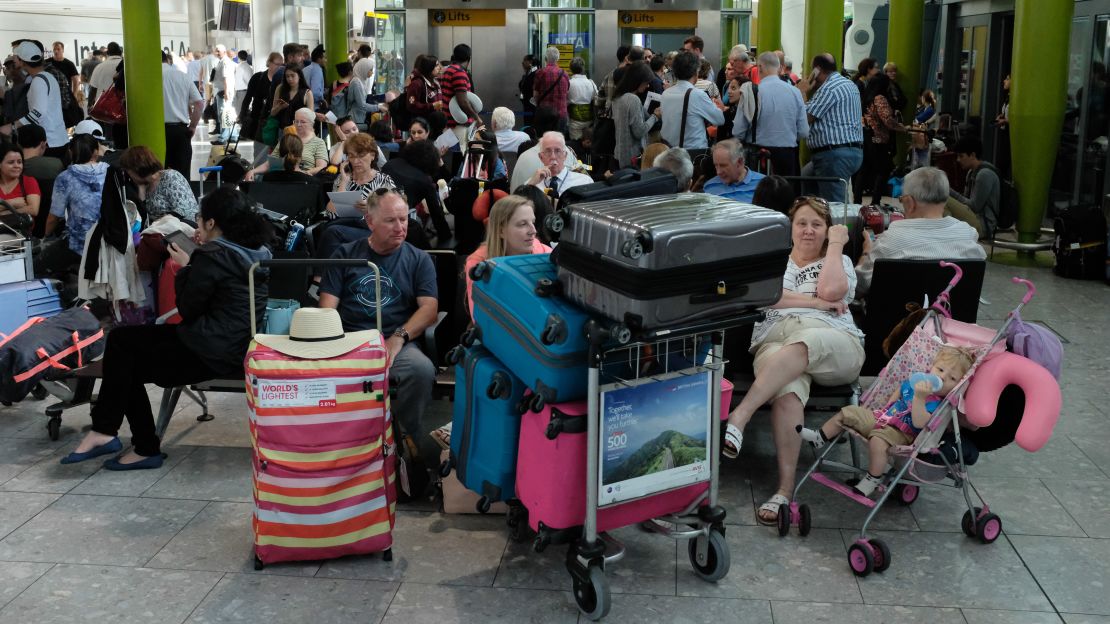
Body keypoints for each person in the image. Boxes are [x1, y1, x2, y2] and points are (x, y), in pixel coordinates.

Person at [59, 187, 272, 470]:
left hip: (208, 350)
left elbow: (187, 308)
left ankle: (117, 436)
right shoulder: (254, 251)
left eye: (199, 220)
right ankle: (128, 441)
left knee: (122, 347)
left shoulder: (212, 256)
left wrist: (186, 265)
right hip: (235, 344)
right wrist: (199, 259)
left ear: (210, 223)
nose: (196, 226)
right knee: (124, 358)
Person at [723, 196, 865, 525]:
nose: (808, 231)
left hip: (833, 341)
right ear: (790, 228)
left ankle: (740, 415)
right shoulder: (774, 262)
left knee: (807, 340)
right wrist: (814, 303)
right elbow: (768, 297)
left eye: (817, 225)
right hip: (775, 340)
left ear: (828, 230)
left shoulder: (839, 261)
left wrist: (836, 245)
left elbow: (831, 291)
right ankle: (785, 490)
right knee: (786, 389)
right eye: (801, 223)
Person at [319, 189, 437, 440]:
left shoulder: (419, 259)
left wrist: (399, 336)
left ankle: (404, 439)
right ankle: (341, 438)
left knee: (420, 370)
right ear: (370, 222)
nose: (399, 227)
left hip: (396, 340)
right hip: (349, 340)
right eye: (390, 220)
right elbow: (326, 309)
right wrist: (339, 345)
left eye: (403, 219)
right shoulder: (345, 255)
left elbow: (429, 309)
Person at [798, 346, 976, 497]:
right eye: (940, 370)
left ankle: (872, 479)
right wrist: (889, 404)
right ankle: (819, 437)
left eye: (952, 378)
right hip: (882, 418)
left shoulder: (937, 404)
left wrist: (920, 398)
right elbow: (900, 390)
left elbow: (920, 422)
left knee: (877, 440)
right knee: (848, 412)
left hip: (902, 433)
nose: (943, 378)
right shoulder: (916, 382)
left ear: (957, 386)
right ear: (932, 368)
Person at [855, 167, 986, 295]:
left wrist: (867, 251)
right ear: (946, 199)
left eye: (902, 200)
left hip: (899, 316)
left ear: (910, 203)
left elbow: (860, 285)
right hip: (952, 314)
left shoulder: (891, 239)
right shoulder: (968, 234)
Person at [464, 194, 552, 315]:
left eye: (533, 222)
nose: (533, 231)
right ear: (501, 231)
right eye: (522, 224)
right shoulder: (478, 264)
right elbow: (479, 315)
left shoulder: (548, 255)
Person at [38, 132, 109, 276]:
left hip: (80, 244)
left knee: (37, 265)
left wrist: (42, 237)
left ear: (70, 153)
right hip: (110, 240)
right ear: (96, 151)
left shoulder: (65, 178)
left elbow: (54, 217)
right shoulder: (111, 171)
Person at [797, 54, 864, 203]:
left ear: (817, 70)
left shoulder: (829, 88)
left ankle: (839, 225)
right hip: (849, 151)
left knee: (835, 203)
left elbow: (806, 117)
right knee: (806, 177)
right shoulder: (848, 84)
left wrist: (802, 92)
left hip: (834, 154)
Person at [733, 52, 809, 177]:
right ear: (779, 68)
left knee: (760, 194)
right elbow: (804, 131)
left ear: (760, 67)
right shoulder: (795, 92)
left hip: (758, 156)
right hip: (788, 157)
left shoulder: (752, 92)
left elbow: (738, 131)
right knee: (785, 193)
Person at [0, 42, 68, 158]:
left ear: (22, 60)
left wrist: (12, 127)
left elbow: (38, 112)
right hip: (57, 140)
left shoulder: (38, 81)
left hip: (48, 143)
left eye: (15, 56)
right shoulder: (47, 77)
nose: (13, 59)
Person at [383, 139, 451, 244]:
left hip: (378, 217)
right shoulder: (424, 181)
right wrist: (448, 240)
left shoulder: (390, 164)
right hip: (399, 224)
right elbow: (437, 215)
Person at [660, 52, 725, 158]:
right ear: (696, 72)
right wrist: (718, 107)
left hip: (669, 151)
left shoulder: (666, 93)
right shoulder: (697, 94)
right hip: (692, 153)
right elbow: (719, 119)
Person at [857, 74, 905, 205]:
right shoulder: (879, 98)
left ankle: (856, 201)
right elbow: (887, 120)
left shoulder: (866, 98)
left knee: (864, 170)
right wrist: (902, 128)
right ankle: (875, 201)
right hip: (878, 139)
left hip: (865, 137)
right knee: (883, 170)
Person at [118, 145, 198, 222]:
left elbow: (184, 210)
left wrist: (159, 222)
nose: (129, 175)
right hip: (160, 230)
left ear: (137, 168)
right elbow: (144, 217)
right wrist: (141, 189)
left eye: (129, 171)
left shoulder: (170, 176)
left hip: (181, 228)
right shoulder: (144, 185)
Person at [326, 133, 396, 214]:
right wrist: (344, 182)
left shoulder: (384, 180)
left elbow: (394, 210)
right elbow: (330, 212)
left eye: (361, 156)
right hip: (344, 224)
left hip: (371, 225)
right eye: (351, 156)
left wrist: (372, 209)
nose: (355, 161)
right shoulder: (342, 178)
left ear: (372, 155)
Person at [161, 50, 204, 179]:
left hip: (157, 133)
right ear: (167, 60)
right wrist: (193, 126)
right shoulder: (182, 76)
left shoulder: (148, 77)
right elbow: (199, 103)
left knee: (158, 174)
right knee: (182, 176)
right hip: (180, 131)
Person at [951, 136, 1001, 239]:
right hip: (975, 219)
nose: (958, 160)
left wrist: (949, 191)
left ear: (973, 155)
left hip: (984, 225)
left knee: (946, 200)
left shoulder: (984, 174)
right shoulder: (971, 172)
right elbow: (965, 203)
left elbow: (974, 207)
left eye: (961, 156)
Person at [611, 62, 658, 170]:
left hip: (619, 153)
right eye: (646, 82)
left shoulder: (617, 96)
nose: (648, 85)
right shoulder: (633, 99)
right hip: (633, 157)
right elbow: (639, 131)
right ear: (638, 81)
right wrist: (655, 116)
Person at [526, 131, 593, 196]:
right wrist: (531, 184)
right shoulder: (532, 183)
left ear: (565, 156)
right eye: (548, 151)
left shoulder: (584, 182)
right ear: (541, 157)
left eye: (558, 151)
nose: (553, 156)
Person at [440, 45, 480, 151]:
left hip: (449, 122)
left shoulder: (447, 70)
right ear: (469, 58)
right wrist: (477, 118)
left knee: (455, 157)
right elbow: (463, 101)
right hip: (460, 124)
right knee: (463, 156)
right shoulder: (459, 73)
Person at [532, 46, 570, 136]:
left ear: (545, 58)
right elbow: (567, 93)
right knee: (559, 143)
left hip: (545, 115)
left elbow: (535, 95)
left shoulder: (540, 73)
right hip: (561, 115)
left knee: (544, 143)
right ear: (558, 58)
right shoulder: (564, 74)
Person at [329, 61, 374, 131]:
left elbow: (329, 100)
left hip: (335, 117)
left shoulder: (333, 84)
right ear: (350, 72)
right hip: (348, 119)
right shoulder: (352, 84)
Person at [0, 142, 39, 219]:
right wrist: (11, 203)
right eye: (11, 162)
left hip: (19, 230)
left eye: (19, 162)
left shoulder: (29, 181)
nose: (17, 166)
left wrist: (3, 213)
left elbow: (33, 210)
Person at [208, 44, 236, 144]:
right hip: (222, 90)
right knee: (228, 113)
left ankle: (223, 137)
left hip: (223, 91)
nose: (216, 52)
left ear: (224, 52)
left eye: (218, 51)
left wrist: (226, 92)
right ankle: (233, 135)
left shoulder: (225, 62)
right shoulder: (221, 62)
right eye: (216, 51)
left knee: (224, 114)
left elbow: (226, 79)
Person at [271, 65, 312, 131]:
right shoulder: (280, 88)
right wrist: (280, 107)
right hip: (283, 130)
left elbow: (310, 117)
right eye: (287, 76)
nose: (290, 79)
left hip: (299, 131)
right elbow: (272, 113)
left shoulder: (307, 93)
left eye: (293, 76)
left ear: (299, 76)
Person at [404, 55, 443, 123]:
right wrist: (432, 106)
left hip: (436, 123)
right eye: (436, 65)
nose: (439, 68)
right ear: (429, 67)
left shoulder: (435, 82)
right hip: (423, 125)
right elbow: (411, 105)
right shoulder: (417, 84)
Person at [567, 57, 598, 142]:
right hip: (589, 121)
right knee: (588, 145)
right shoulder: (591, 83)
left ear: (571, 69)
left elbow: (565, 101)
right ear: (583, 68)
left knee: (575, 145)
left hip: (574, 121)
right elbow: (596, 99)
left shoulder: (569, 83)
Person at [87, 41, 122, 106]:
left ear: (107, 54)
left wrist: (89, 105)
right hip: (122, 107)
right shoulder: (126, 67)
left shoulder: (99, 67)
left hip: (103, 108)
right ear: (120, 52)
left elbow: (93, 89)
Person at [303, 45, 326, 119]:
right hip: (314, 108)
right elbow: (315, 92)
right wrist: (322, 99)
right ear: (319, 59)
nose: (326, 60)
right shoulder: (317, 70)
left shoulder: (305, 69)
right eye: (324, 58)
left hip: (304, 106)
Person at [233, 50, 253, 114]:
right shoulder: (245, 66)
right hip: (241, 91)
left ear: (238, 57)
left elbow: (249, 80)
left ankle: (243, 123)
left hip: (243, 91)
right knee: (239, 110)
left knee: (241, 111)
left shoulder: (244, 67)